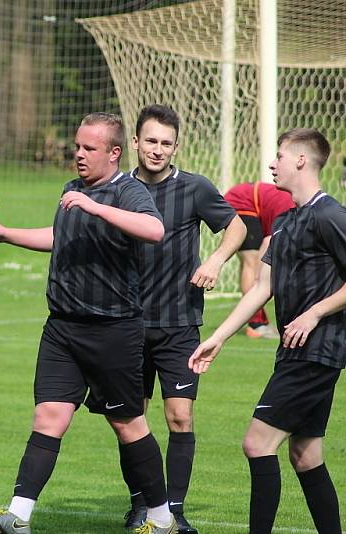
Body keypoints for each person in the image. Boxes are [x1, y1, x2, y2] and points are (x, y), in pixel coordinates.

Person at [0, 113, 178, 534]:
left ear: (114, 153)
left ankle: (161, 519)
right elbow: (61, 236)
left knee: (128, 423)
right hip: (63, 329)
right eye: (77, 147)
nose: (79, 155)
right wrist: (5, 233)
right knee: (48, 416)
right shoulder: (72, 191)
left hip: (113, 330)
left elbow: (154, 230)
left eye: (89, 149)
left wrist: (97, 206)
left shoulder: (128, 190)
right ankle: (19, 516)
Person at [189, 128, 344, 534]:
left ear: (300, 161)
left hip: (317, 351)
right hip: (294, 353)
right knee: (306, 456)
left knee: (257, 445)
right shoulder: (285, 219)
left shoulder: (331, 215)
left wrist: (314, 314)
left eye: (278, 156)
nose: (271, 164)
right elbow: (262, 286)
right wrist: (218, 336)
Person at [120, 105, 247, 533]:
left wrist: (214, 259)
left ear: (176, 147)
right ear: (135, 143)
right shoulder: (117, 189)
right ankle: (141, 505)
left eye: (166, 143)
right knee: (131, 421)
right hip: (125, 325)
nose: (158, 150)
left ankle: (172, 510)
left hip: (179, 325)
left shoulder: (194, 188)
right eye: (151, 141)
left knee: (180, 418)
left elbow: (237, 228)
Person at [223, 181, 294, 339]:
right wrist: (259, 276)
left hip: (248, 202)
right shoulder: (292, 210)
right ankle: (256, 324)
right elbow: (269, 242)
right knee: (252, 263)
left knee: (252, 264)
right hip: (241, 203)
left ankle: (258, 321)